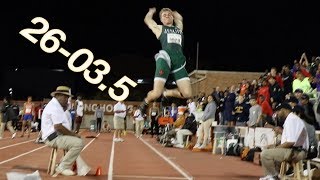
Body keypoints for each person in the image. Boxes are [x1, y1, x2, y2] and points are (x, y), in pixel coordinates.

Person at [139, 7, 192, 115]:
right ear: (161, 20)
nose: (167, 16)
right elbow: (148, 20)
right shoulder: (160, 29)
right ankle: (145, 102)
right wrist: (151, 12)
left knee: (187, 94)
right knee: (156, 93)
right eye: (164, 15)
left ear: (172, 17)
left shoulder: (179, 29)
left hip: (179, 64)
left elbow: (180, 18)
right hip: (165, 59)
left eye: (169, 15)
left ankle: (167, 92)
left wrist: (172, 12)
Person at [41, 86, 90, 176]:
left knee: (77, 141)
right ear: (58, 95)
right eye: (65, 97)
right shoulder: (55, 106)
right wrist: (73, 135)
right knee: (78, 143)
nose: (67, 100)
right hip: (53, 137)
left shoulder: (55, 105)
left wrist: (72, 135)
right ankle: (62, 167)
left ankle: (62, 164)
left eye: (68, 97)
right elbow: (58, 127)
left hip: (55, 135)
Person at [259, 103, 309, 180]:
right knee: (268, 149)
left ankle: (273, 176)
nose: (277, 114)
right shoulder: (292, 118)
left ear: (283, 110)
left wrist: (276, 148)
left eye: (278, 111)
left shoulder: (291, 120)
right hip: (297, 150)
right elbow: (289, 140)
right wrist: (274, 146)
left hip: (296, 152)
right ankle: (274, 175)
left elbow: (290, 142)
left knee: (265, 154)